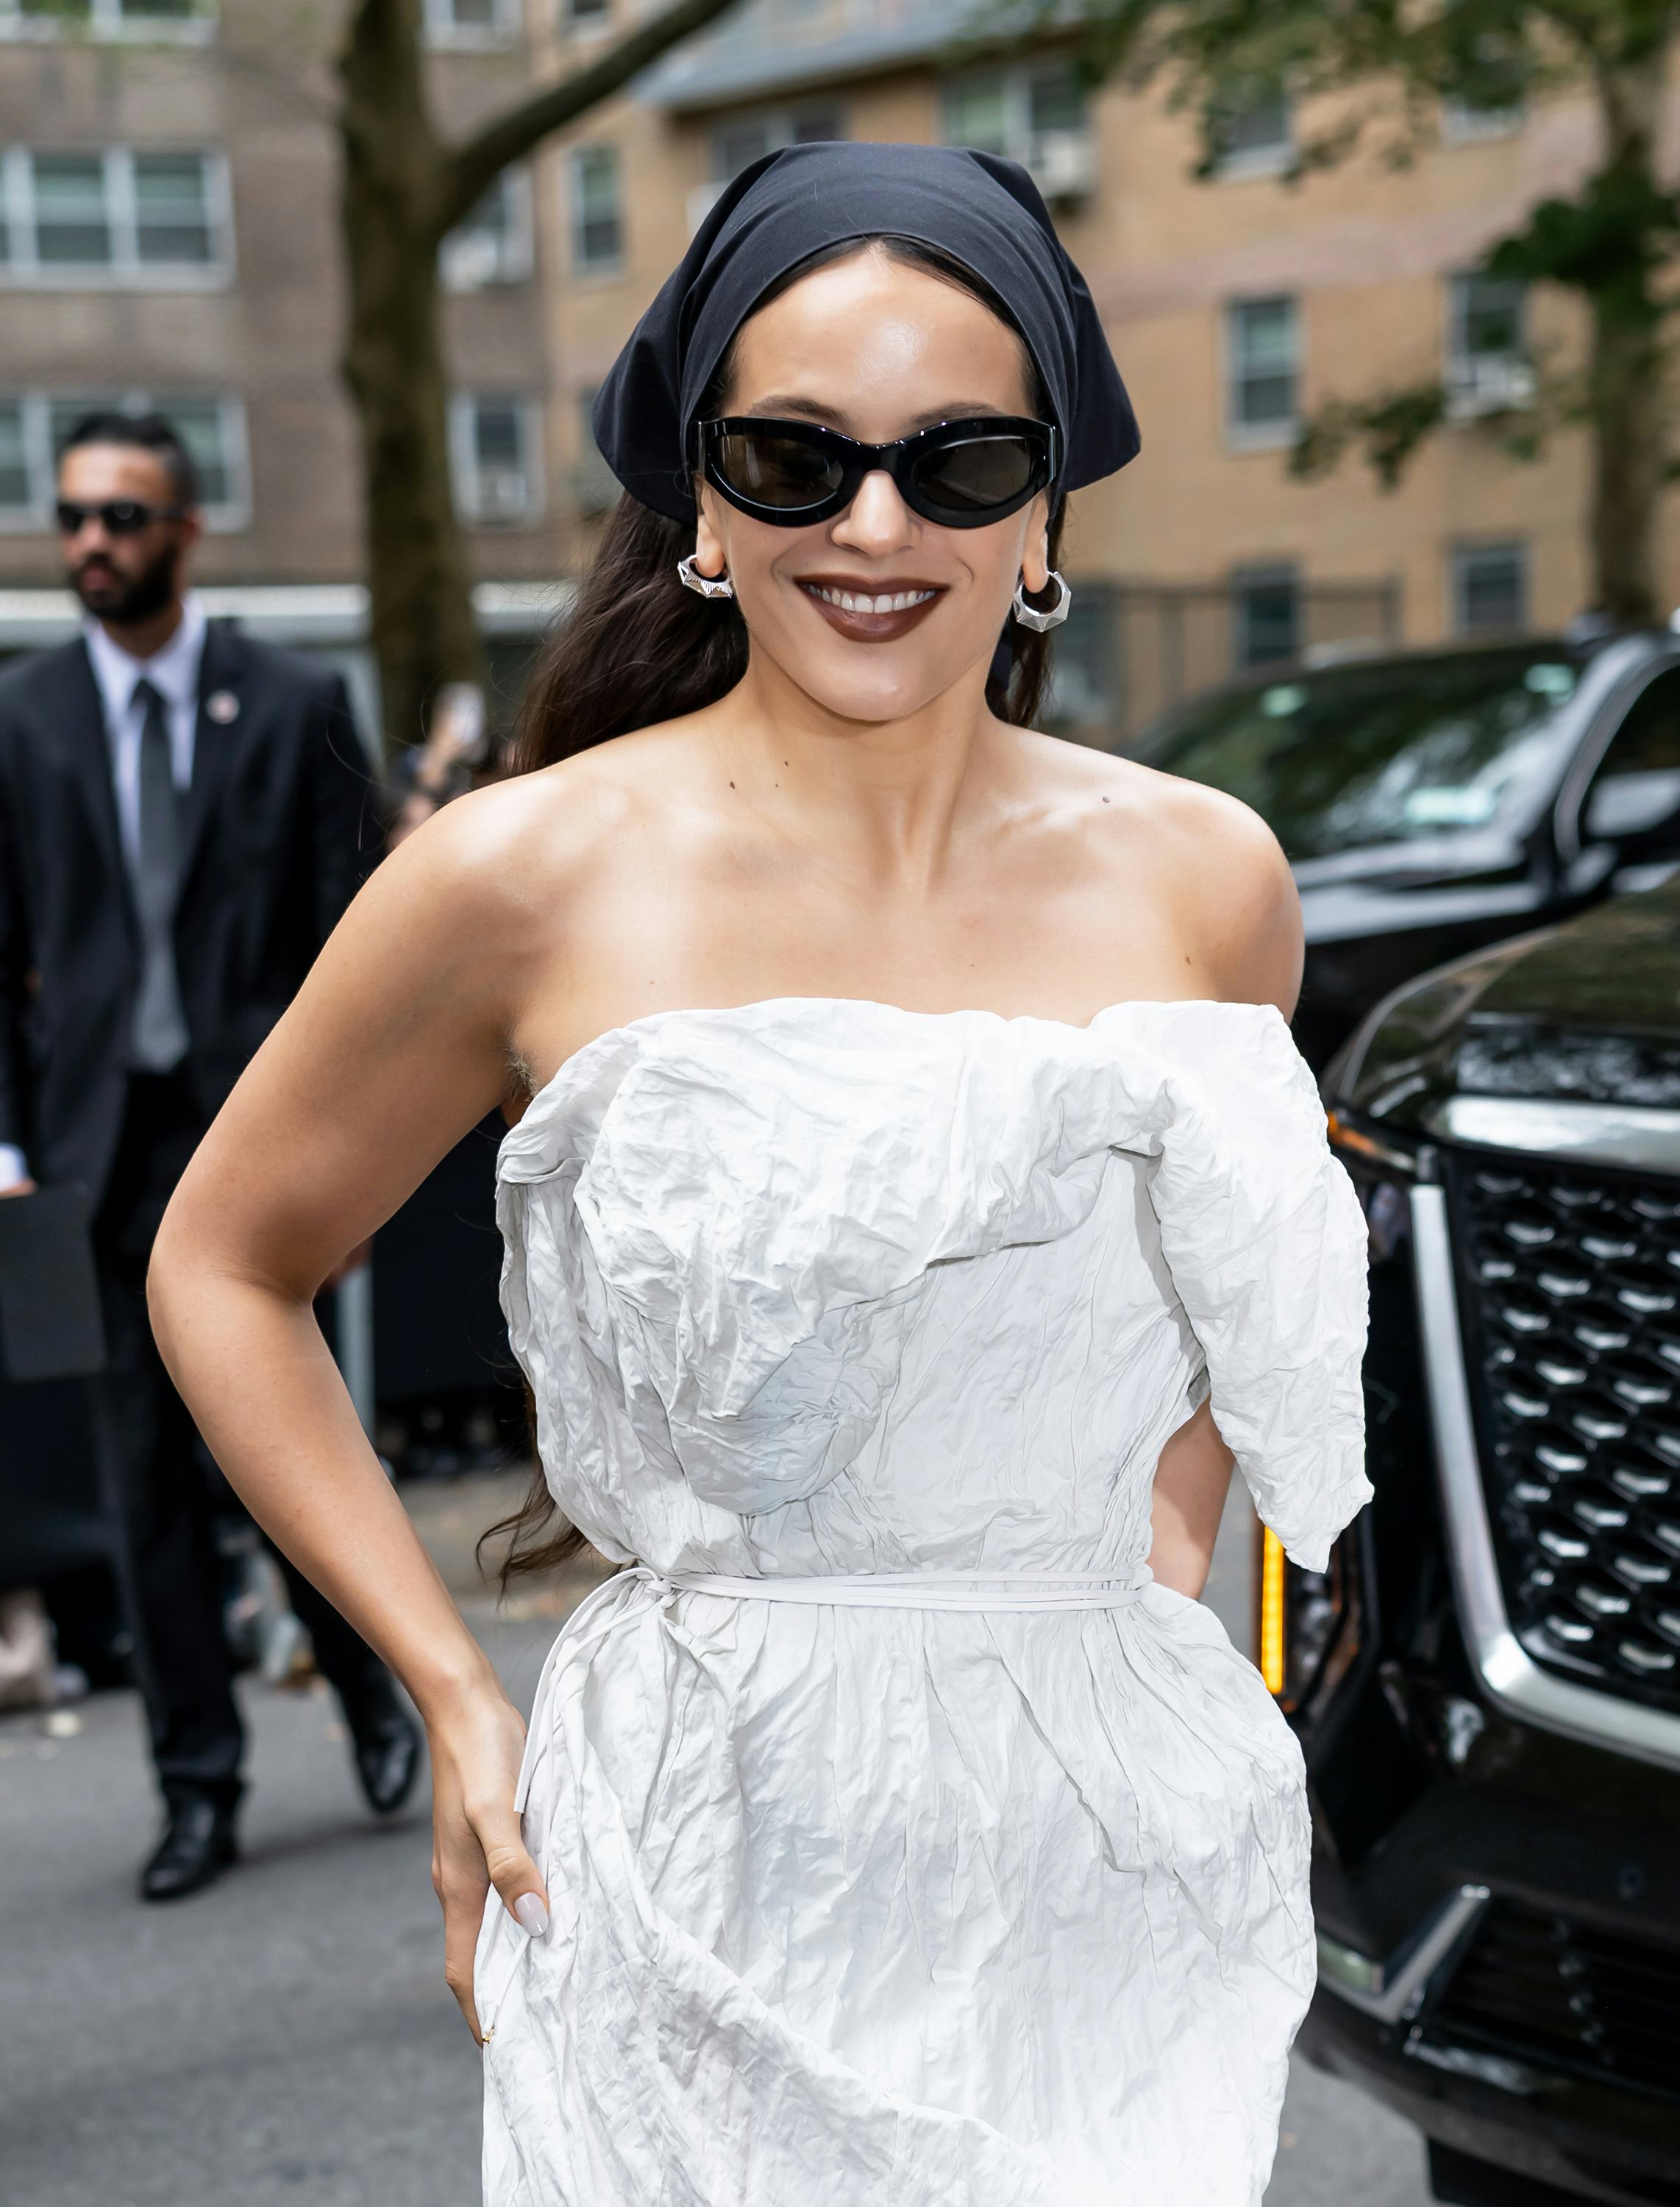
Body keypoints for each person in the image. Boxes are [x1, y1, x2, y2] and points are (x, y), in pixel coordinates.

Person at [148, 145, 1373, 2203]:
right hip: (700, 1856)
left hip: (1106, 1867)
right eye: (792, 460)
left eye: (956, 462)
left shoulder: (1206, 879)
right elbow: (223, 1264)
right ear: (702, 504)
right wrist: (451, 1691)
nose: (873, 525)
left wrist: (1142, 1577)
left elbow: (1205, 1293)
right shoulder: (518, 876)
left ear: (1046, 506)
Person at [0, 411, 421, 1902]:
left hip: (261, 1151)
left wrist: (358, 1165)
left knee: (284, 1459)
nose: (92, 542)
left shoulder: (294, 699)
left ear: (183, 533)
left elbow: (359, 947)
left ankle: (373, 1693)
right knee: (146, 1494)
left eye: (122, 516)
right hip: (99, 1164)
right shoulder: (26, 717)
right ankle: (197, 1788)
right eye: (74, 518)